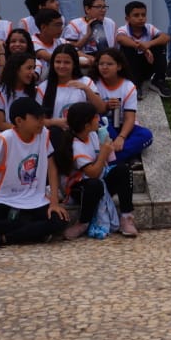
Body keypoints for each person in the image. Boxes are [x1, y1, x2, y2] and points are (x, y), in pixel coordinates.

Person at [0, 97, 67, 251]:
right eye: (37, 118)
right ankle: (33, 231)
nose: (42, 121)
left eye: (42, 117)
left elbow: (52, 168)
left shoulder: (44, 134)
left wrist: (54, 203)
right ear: (19, 121)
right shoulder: (5, 139)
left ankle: (0, 240)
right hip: (5, 199)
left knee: (60, 221)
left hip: (35, 199)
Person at [57, 102, 137, 239]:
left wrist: (107, 148)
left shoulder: (92, 135)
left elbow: (105, 162)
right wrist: (103, 154)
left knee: (123, 170)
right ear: (86, 125)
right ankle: (83, 223)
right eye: (95, 117)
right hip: (81, 188)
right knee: (94, 184)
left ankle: (126, 217)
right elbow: (92, 173)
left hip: (99, 180)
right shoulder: (76, 145)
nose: (98, 119)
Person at [94, 48, 152, 167]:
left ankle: (109, 159)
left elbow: (130, 117)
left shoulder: (128, 86)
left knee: (146, 135)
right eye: (101, 64)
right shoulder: (94, 83)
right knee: (98, 119)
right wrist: (106, 106)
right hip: (103, 127)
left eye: (109, 64)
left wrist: (121, 137)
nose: (104, 67)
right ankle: (127, 156)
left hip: (122, 126)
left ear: (119, 66)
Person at [40, 44, 106, 132]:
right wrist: (53, 122)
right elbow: (37, 121)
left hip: (83, 135)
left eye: (67, 62)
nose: (62, 66)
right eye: (58, 62)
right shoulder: (43, 87)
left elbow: (101, 109)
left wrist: (86, 89)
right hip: (54, 136)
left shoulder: (86, 82)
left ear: (74, 64)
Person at [117, 0, 171, 97]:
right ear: (127, 18)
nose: (141, 18)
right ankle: (134, 84)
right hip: (131, 69)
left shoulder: (149, 27)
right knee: (127, 47)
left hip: (148, 65)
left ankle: (158, 80)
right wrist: (143, 48)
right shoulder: (123, 29)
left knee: (160, 43)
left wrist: (149, 44)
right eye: (136, 15)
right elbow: (120, 38)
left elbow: (166, 37)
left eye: (143, 15)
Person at [0, 52, 45, 135]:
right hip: (4, 136)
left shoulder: (36, 91)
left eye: (34, 68)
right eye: (29, 68)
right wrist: (26, 130)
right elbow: (1, 124)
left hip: (30, 135)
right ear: (16, 69)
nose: (33, 72)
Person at [64, 0, 117, 72]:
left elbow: (115, 48)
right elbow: (70, 50)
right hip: (86, 60)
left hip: (107, 58)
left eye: (104, 7)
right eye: (99, 7)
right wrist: (87, 35)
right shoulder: (75, 24)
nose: (103, 10)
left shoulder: (110, 23)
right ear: (87, 9)